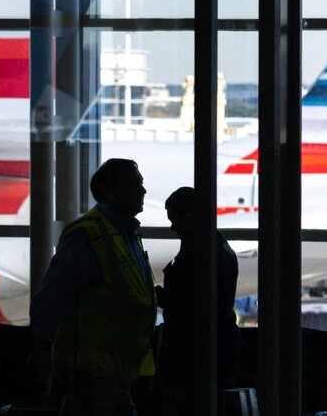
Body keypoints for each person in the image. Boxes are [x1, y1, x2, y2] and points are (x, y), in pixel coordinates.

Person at [28, 158, 157, 416]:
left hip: (115, 367)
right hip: (94, 368)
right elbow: (53, 297)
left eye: (141, 184)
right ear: (111, 192)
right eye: (134, 185)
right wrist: (40, 352)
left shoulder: (124, 233)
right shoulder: (88, 235)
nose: (142, 191)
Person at [152, 187, 241, 411]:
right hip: (215, 349)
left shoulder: (200, 253)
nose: (173, 227)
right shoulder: (217, 248)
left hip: (193, 354)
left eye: (175, 220)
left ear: (190, 216)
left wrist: (159, 296)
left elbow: (189, 305)